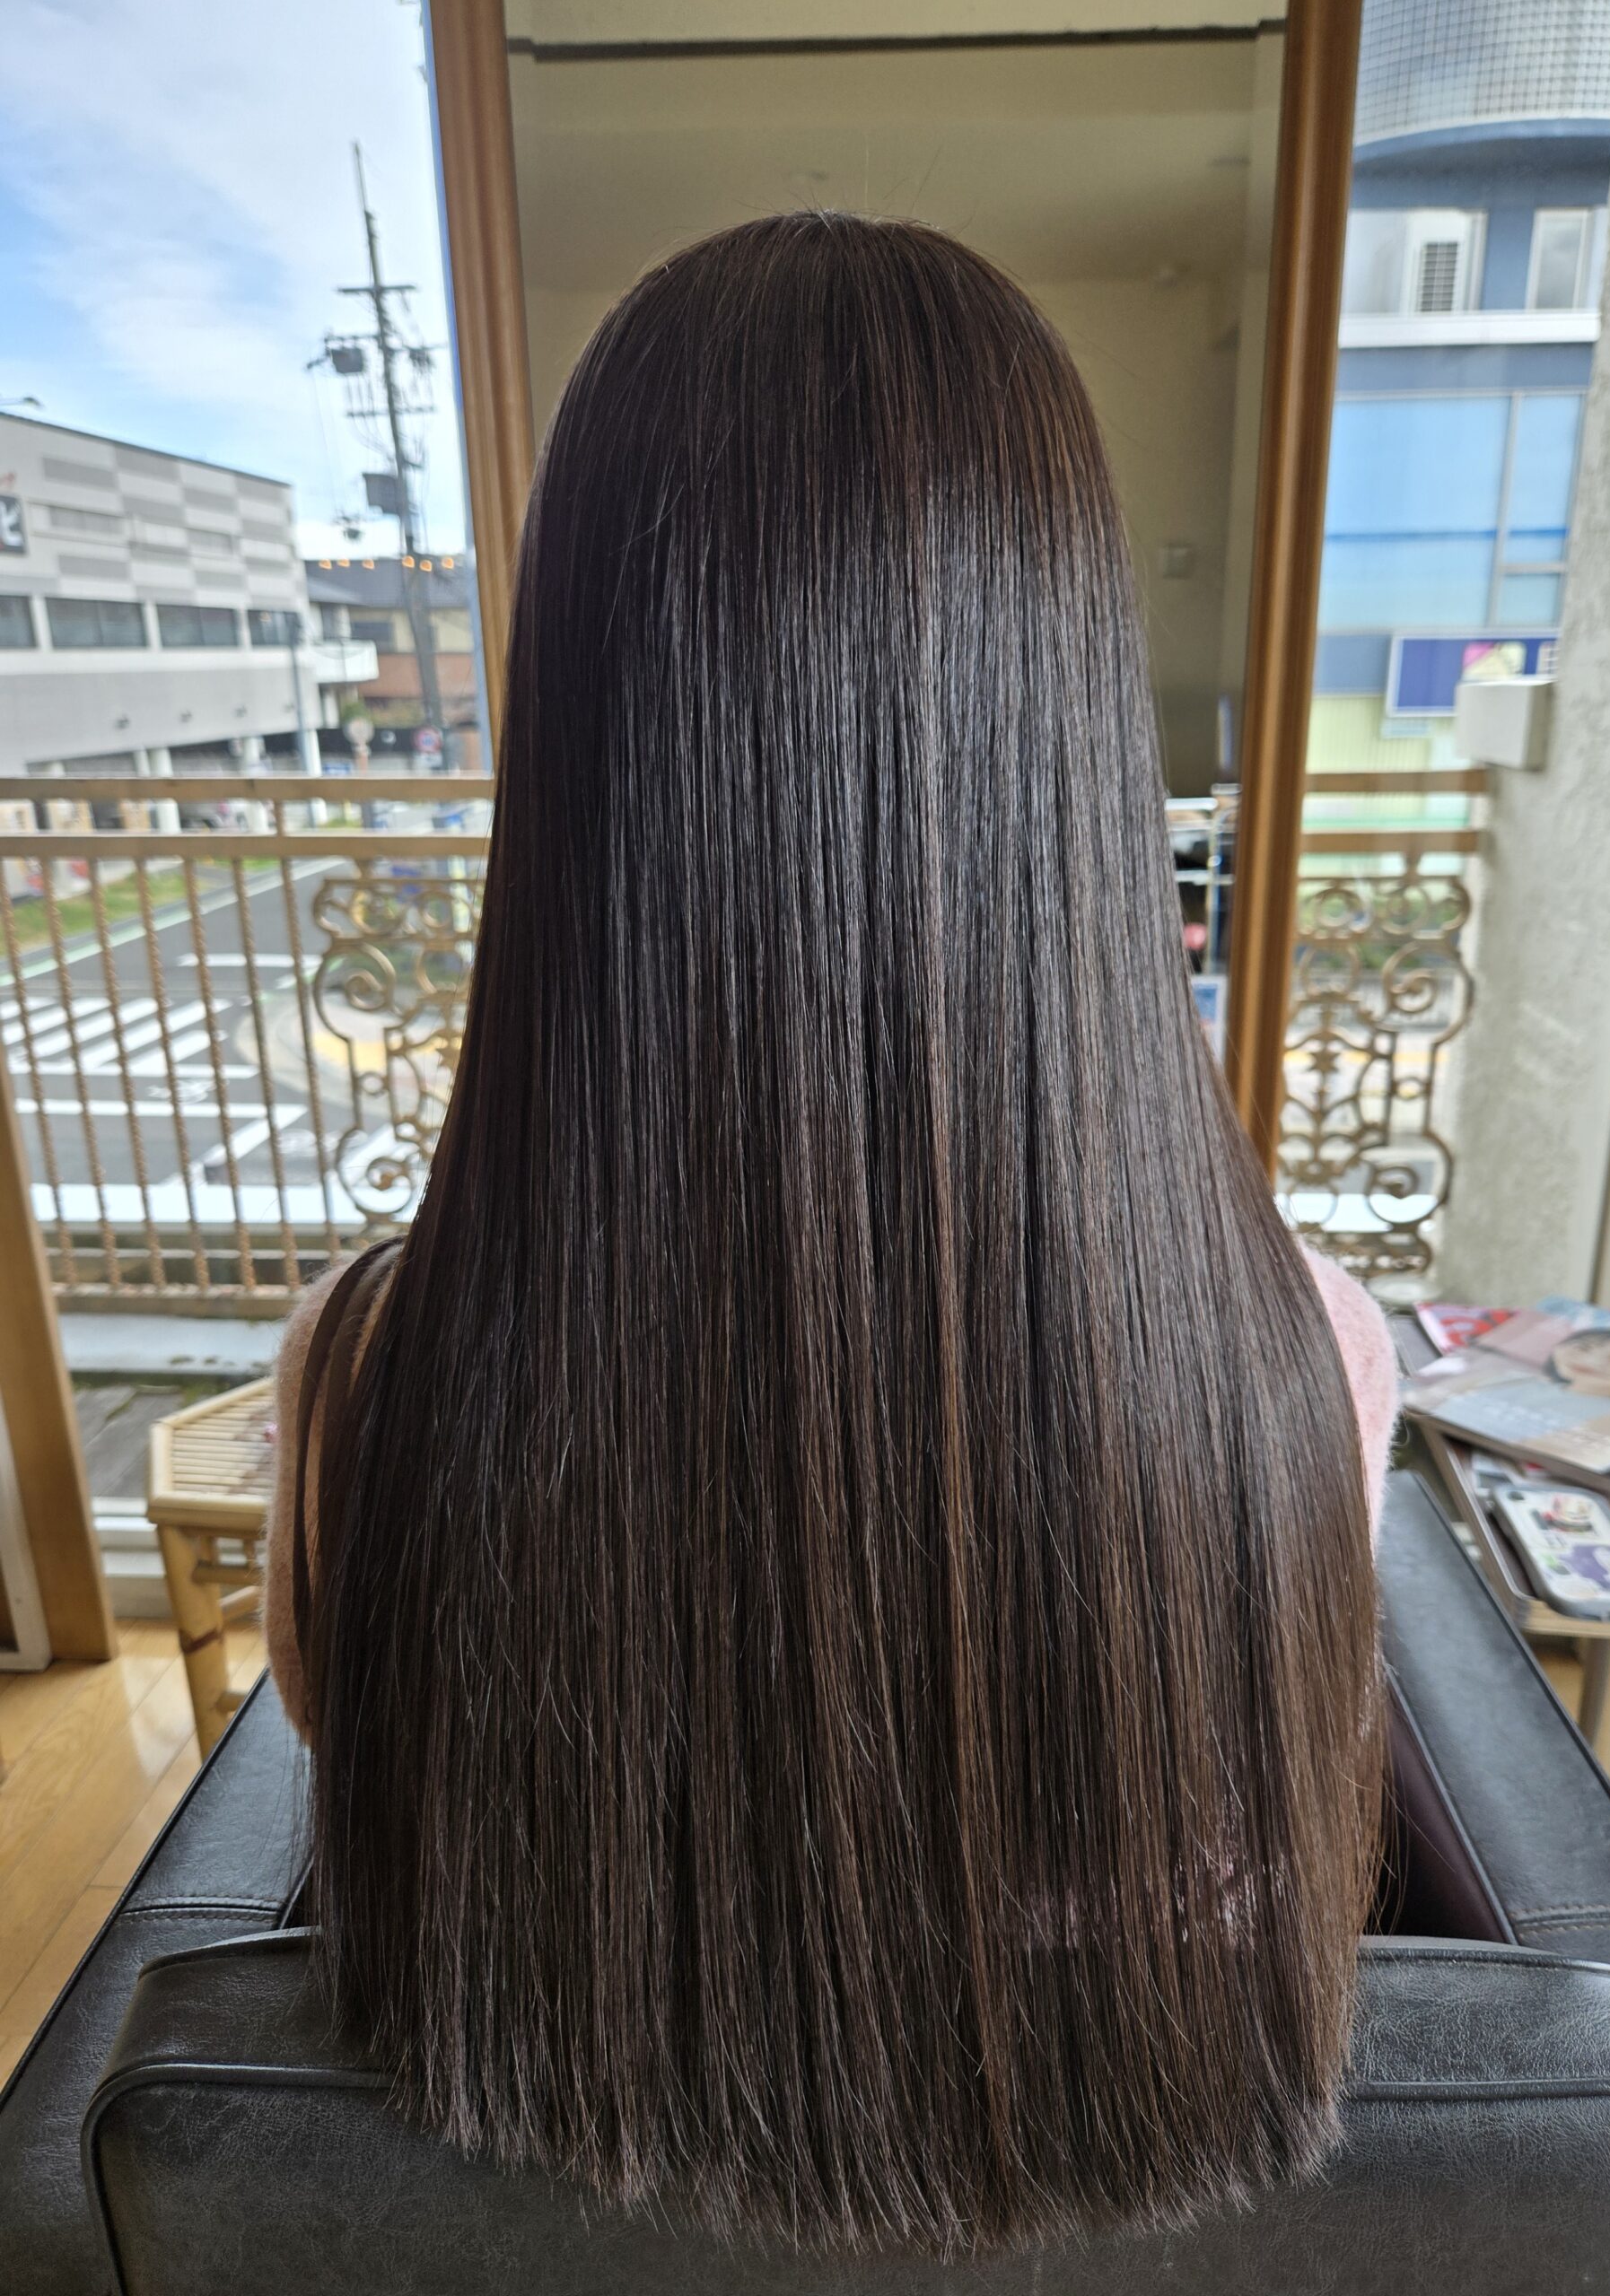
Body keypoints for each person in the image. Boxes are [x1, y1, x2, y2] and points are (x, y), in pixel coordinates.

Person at [264, 212, 1396, 2257]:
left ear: (579, 757)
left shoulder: (370, 1380)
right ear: (1075, 740)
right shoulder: (1309, 1360)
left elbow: (361, 1803)